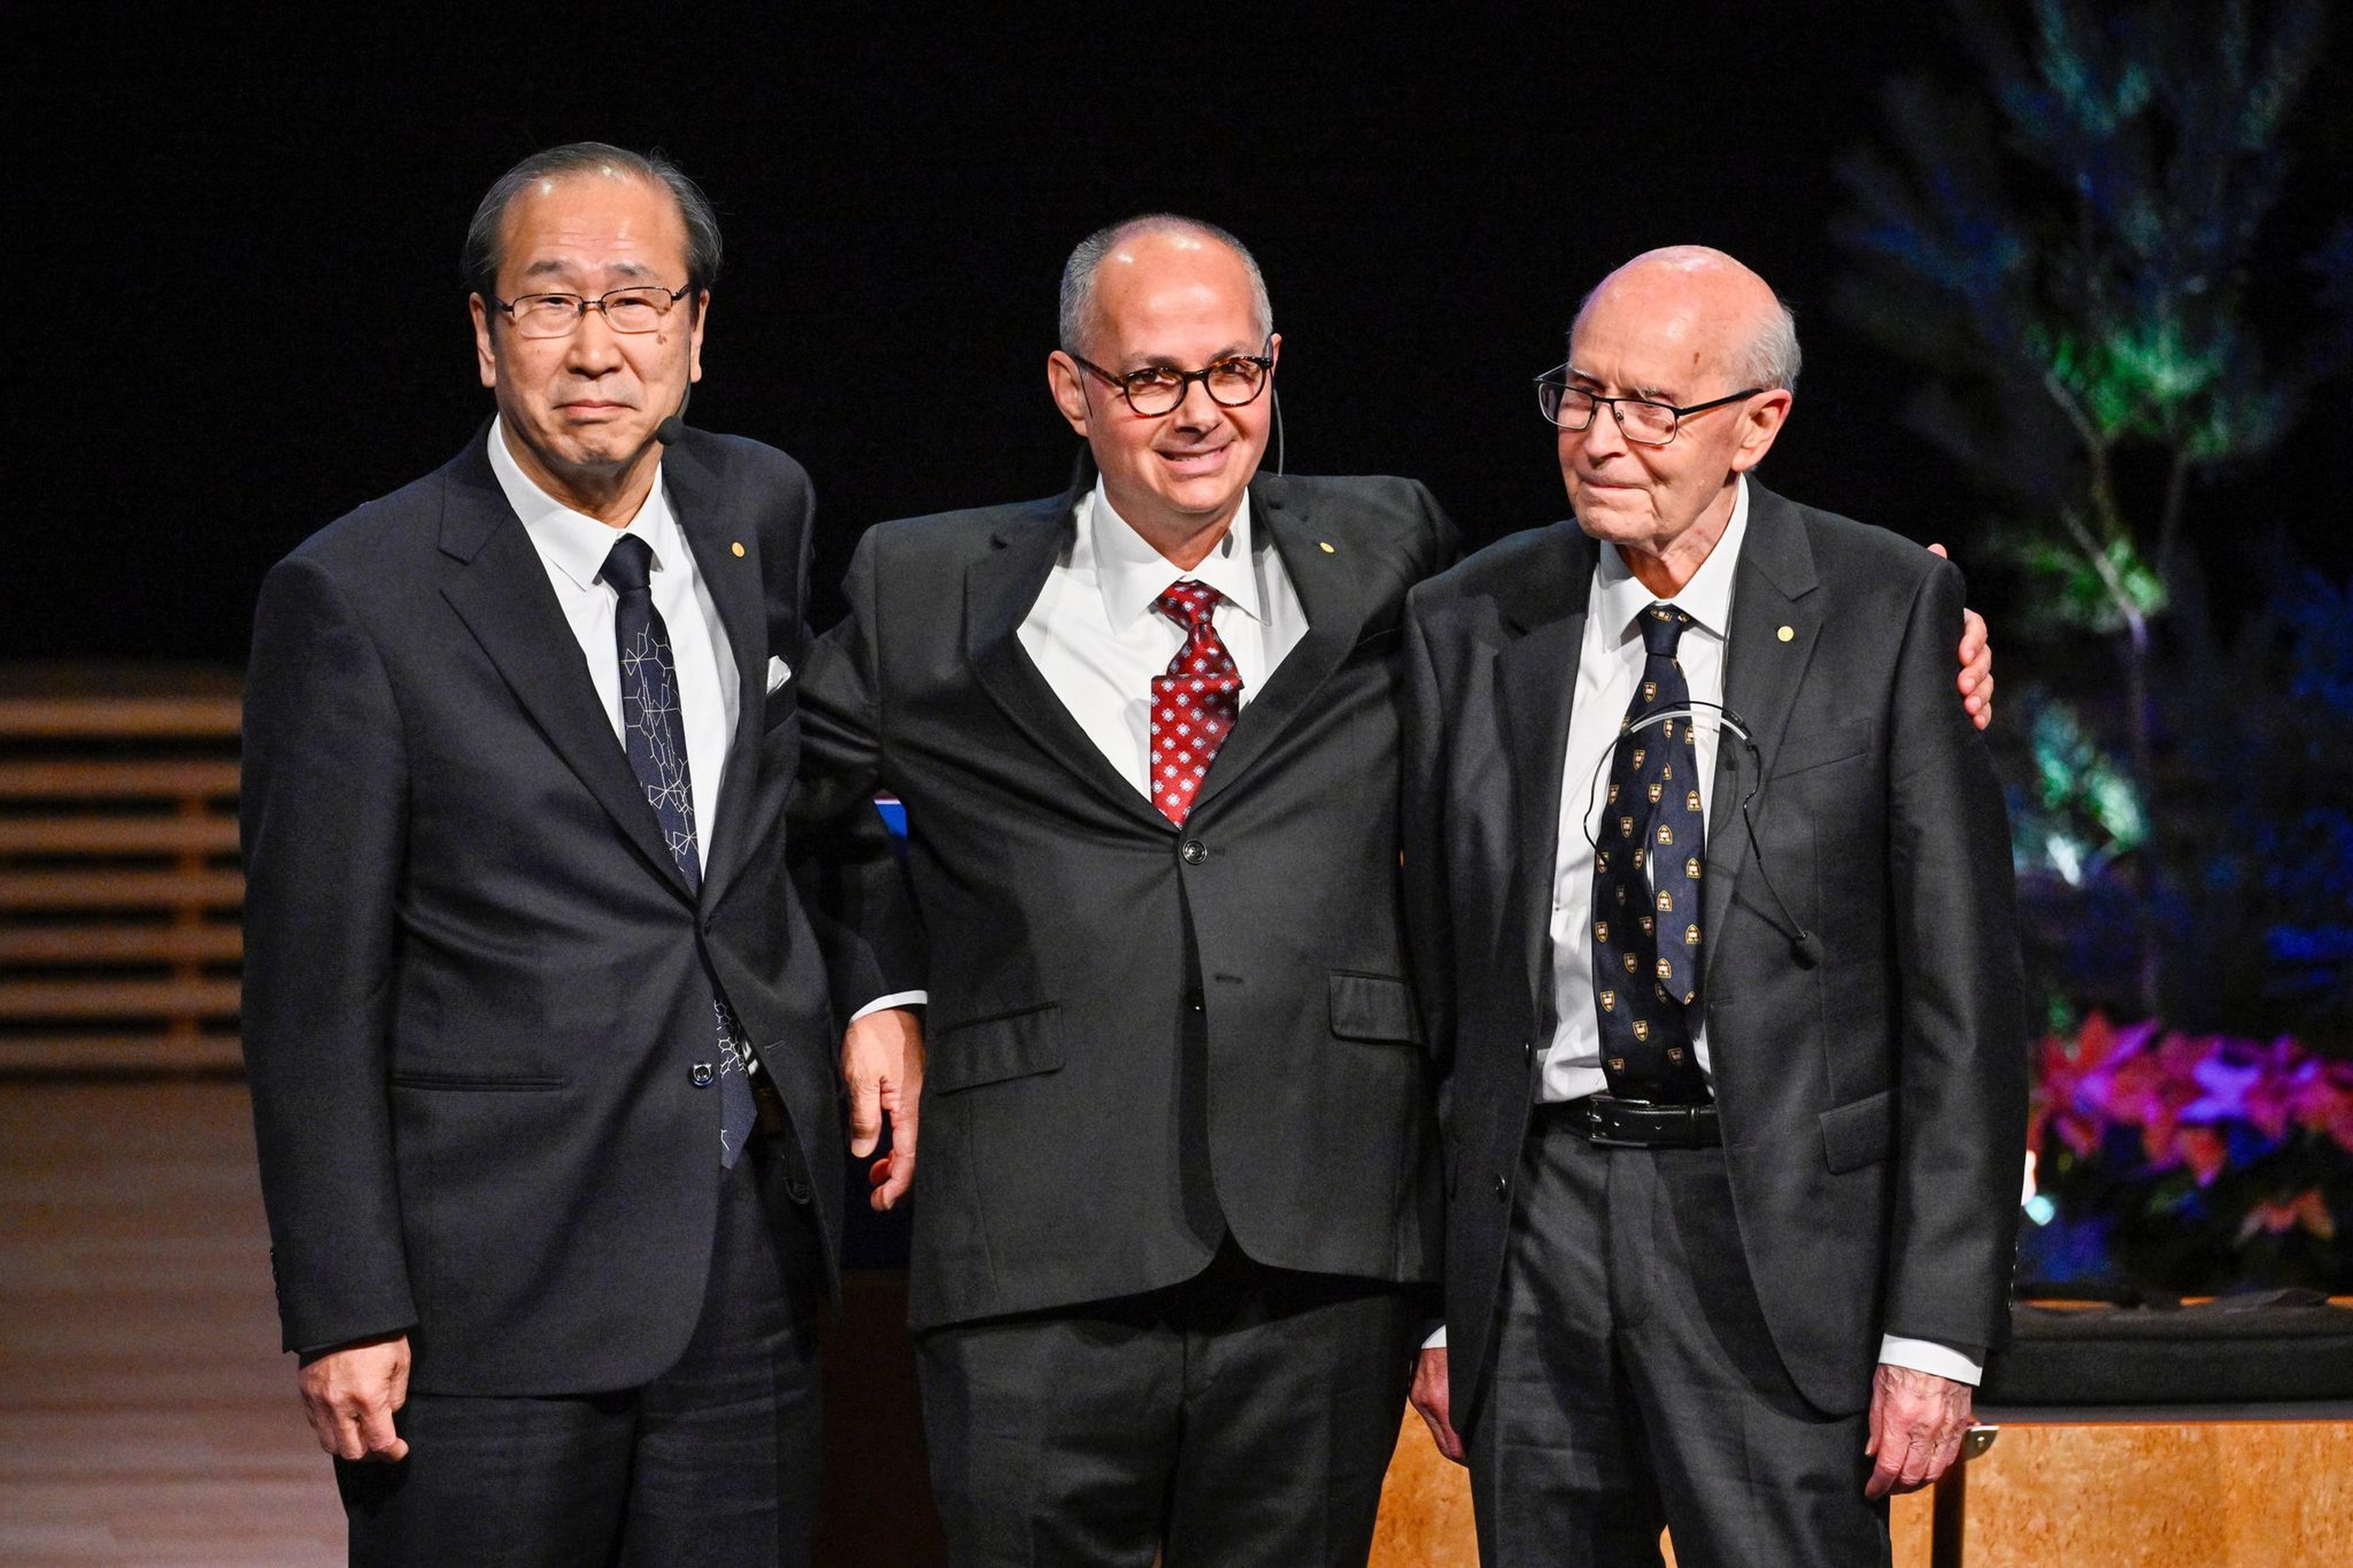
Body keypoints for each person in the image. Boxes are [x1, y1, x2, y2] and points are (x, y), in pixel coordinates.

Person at [794, 219, 1995, 1566]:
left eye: (1236, 372)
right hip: (1098, 1247)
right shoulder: (945, 588)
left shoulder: (1410, 563)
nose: (1202, 414)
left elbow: (1958, 990)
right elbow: (788, 801)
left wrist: (1926, 642)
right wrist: (884, 985)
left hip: (1440, 1253)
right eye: (1152, 379)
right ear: (1073, 388)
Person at [239, 142, 922, 1568]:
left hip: (749, 1260)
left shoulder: (759, 511)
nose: (597, 346)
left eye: (636, 300)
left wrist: (875, 990)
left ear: (695, 331)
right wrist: (344, 1299)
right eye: (551, 303)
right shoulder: (358, 593)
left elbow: (803, 808)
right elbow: (312, 996)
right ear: (485, 337)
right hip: (493, 1284)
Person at [1399, 246, 2027, 1567]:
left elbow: (1964, 1003)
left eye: (1651, 406)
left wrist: (1936, 1327)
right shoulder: (1467, 621)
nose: (1601, 438)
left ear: (1760, 423)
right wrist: (1444, 1298)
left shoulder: (1887, 609)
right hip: (1539, 1234)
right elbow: (1431, 984)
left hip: (1782, 1240)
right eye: (1579, 396)